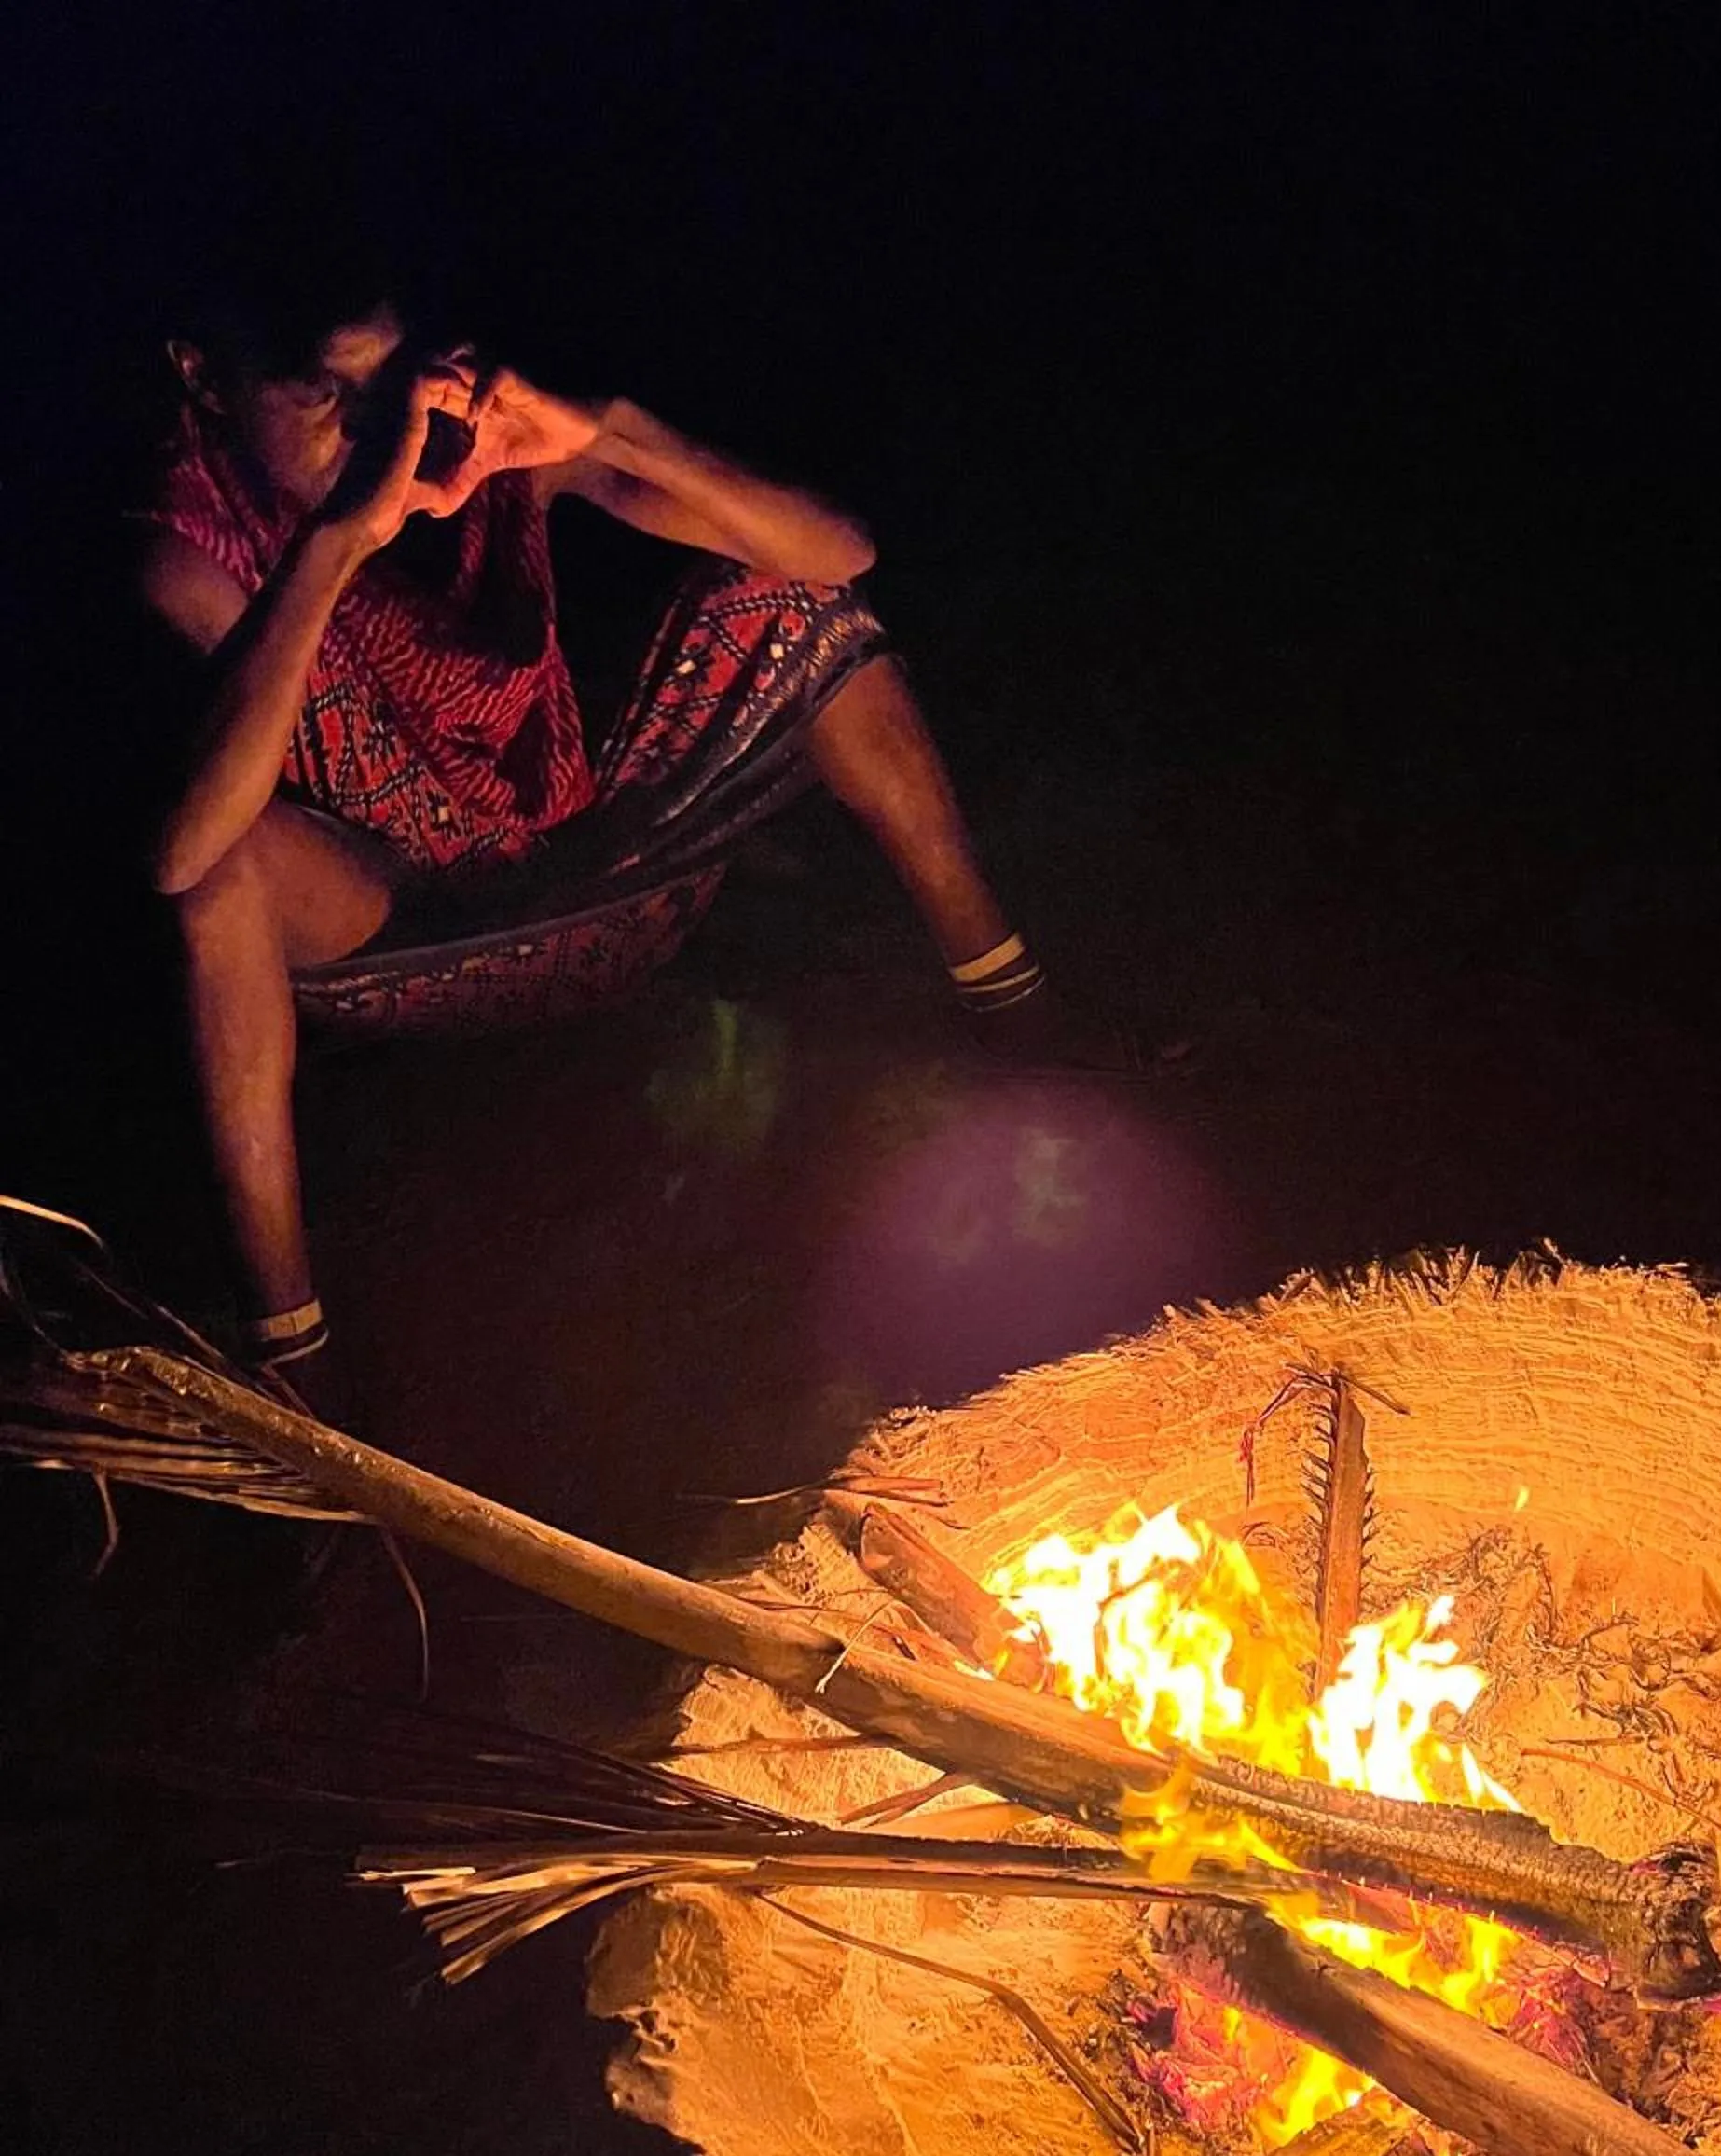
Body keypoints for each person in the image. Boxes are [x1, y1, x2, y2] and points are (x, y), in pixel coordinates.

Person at [134, 261, 1163, 1398]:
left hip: (600, 882)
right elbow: (181, 855)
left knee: (796, 601)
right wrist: (337, 543)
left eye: (391, 380)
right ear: (205, 379)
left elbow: (839, 555)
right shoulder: (190, 547)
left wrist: (612, 428)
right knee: (225, 874)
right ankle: (290, 1347)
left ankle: (1012, 1004)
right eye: (326, 396)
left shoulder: (470, 443)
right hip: (406, 937)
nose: (380, 430)